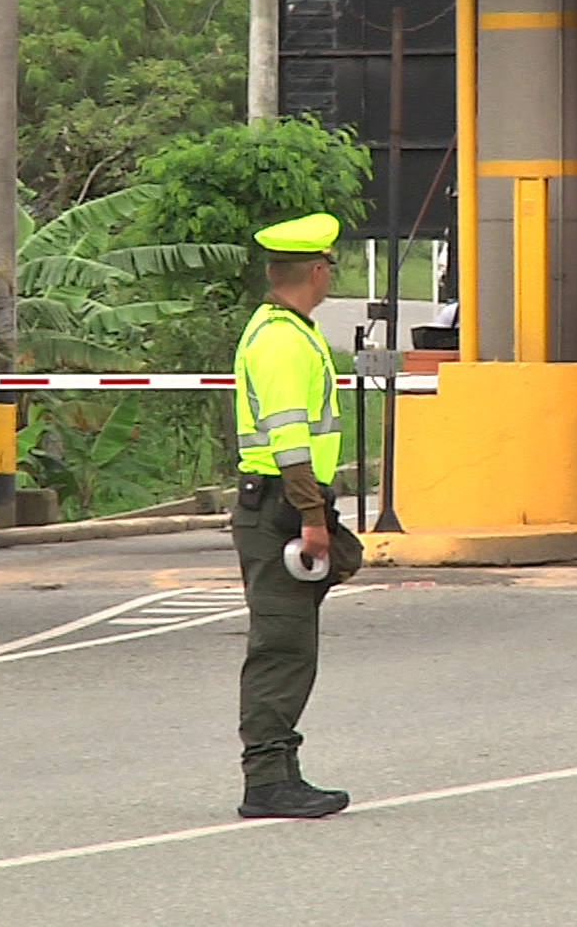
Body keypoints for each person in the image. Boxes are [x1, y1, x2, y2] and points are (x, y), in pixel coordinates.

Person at [230, 211, 365, 820]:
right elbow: (289, 441)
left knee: (291, 647)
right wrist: (312, 518)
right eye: (330, 266)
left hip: (286, 505)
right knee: (282, 649)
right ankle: (267, 780)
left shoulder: (282, 327)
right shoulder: (284, 341)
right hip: (283, 508)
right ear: (317, 271)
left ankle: (280, 771)